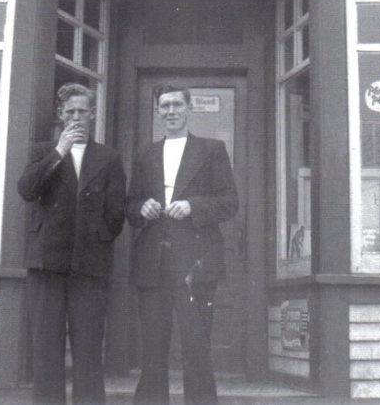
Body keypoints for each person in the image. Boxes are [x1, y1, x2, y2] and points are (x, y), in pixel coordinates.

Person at [127, 83, 239, 405]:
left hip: (195, 267)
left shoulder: (212, 150)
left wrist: (193, 207)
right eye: (165, 106)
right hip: (154, 266)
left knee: (197, 349)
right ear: (158, 111)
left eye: (177, 105)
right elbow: (131, 206)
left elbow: (230, 203)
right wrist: (141, 209)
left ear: (188, 109)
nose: (171, 111)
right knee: (153, 351)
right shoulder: (145, 154)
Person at [17, 83, 126, 405]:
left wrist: (98, 237)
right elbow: (26, 190)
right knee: (46, 351)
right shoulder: (42, 152)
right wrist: (59, 152)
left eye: (83, 111)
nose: (76, 117)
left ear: (93, 114)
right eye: (70, 112)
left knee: (89, 351)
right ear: (60, 116)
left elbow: (116, 212)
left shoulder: (108, 157)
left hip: (89, 268)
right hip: (46, 266)